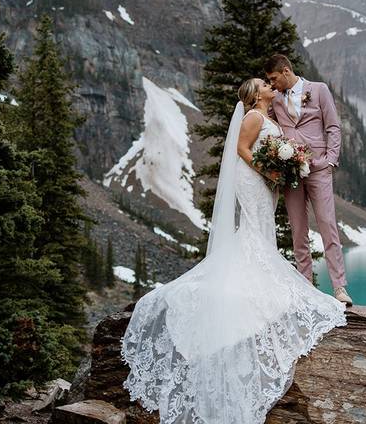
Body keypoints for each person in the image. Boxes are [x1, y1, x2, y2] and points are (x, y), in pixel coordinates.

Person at [119, 78, 346, 423]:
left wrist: (280, 168)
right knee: (255, 231)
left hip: (264, 181)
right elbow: (242, 148)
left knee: (261, 231)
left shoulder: (269, 114)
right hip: (252, 179)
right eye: (263, 84)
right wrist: (267, 169)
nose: (269, 85)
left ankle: (260, 274)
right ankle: (257, 280)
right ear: (256, 95)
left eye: (269, 82)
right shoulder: (254, 116)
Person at [264, 54, 353, 306]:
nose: (272, 85)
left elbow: (333, 126)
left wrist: (330, 160)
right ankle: (306, 288)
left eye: (273, 79)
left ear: (285, 71)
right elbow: (264, 120)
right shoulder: (275, 99)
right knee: (298, 230)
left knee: (328, 226)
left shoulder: (319, 90)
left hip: (319, 169)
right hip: (291, 172)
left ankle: (340, 288)